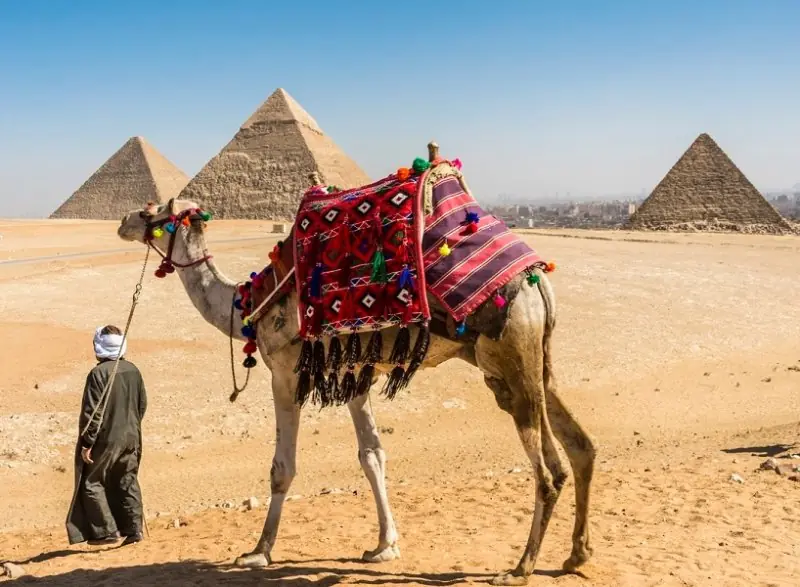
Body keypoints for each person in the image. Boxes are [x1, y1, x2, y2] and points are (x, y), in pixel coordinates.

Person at [65, 325, 147, 546]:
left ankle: (106, 531)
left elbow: (93, 413)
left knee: (92, 482)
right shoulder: (133, 370)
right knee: (127, 480)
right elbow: (141, 405)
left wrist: (87, 442)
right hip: (132, 436)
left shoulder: (98, 374)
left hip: (107, 438)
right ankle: (134, 530)